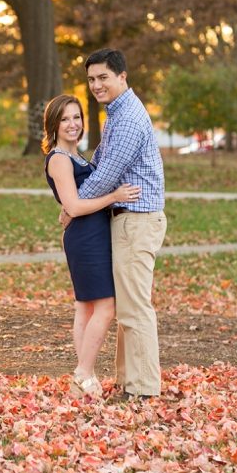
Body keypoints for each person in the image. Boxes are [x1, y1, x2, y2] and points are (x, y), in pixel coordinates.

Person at [63, 48, 167, 401]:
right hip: (126, 221)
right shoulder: (117, 116)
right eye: (91, 79)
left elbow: (105, 175)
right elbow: (99, 164)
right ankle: (128, 383)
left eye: (103, 77)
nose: (96, 85)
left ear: (123, 77)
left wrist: (71, 207)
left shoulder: (128, 120)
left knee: (135, 308)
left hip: (137, 221)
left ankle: (143, 389)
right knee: (127, 307)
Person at [43, 94, 141, 400]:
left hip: (91, 234)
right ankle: (83, 374)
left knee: (85, 307)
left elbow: (73, 202)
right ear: (53, 125)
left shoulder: (79, 156)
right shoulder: (59, 158)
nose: (72, 124)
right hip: (85, 239)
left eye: (77, 117)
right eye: (65, 119)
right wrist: (114, 197)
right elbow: (73, 204)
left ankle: (85, 376)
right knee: (107, 307)